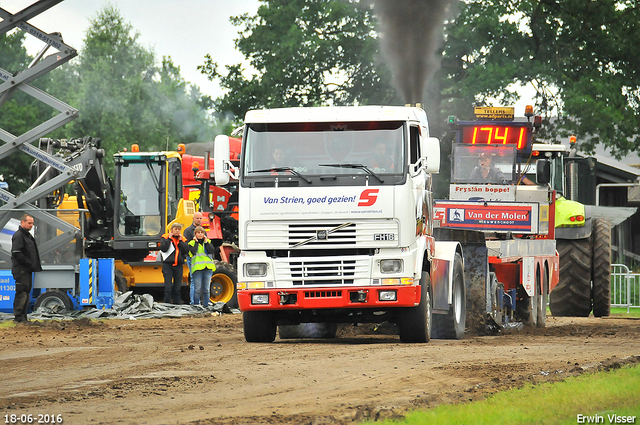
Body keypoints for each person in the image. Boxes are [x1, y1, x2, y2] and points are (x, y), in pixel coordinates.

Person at [11, 214, 42, 323]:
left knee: (25, 292)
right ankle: (19, 318)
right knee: (22, 292)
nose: (31, 225)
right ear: (22, 222)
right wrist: (28, 263)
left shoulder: (27, 236)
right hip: (21, 270)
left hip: (26, 270)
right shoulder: (19, 235)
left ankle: (23, 317)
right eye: (29, 223)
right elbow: (16, 252)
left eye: (32, 223)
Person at [187, 226, 217, 307]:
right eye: (198, 233)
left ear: (204, 234)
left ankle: (206, 305)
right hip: (197, 268)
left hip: (208, 268)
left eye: (201, 233)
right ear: (195, 234)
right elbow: (193, 252)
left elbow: (211, 251)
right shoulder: (191, 243)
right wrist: (196, 242)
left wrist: (206, 242)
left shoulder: (208, 242)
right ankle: (197, 305)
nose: (200, 234)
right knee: (197, 289)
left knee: (206, 289)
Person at [160, 222, 188, 304]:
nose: (177, 231)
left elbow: (186, 251)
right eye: (175, 229)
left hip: (178, 265)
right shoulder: (165, 237)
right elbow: (163, 248)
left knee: (177, 288)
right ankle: (167, 304)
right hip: (168, 265)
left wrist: (181, 242)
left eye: (179, 229)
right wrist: (169, 239)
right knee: (168, 287)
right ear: (171, 230)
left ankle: (177, 304)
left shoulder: (183, 239)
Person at [183, 212, 204, 304]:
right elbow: (186, 246)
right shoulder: (188, 231)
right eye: (197, 218)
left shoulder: (204, 231)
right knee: (194, 280)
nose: (199, 220)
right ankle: (194, 302)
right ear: (193, 218)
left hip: (202, 259)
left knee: (201, 280)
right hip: (192, 258)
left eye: (200, 218)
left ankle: (200, 301)